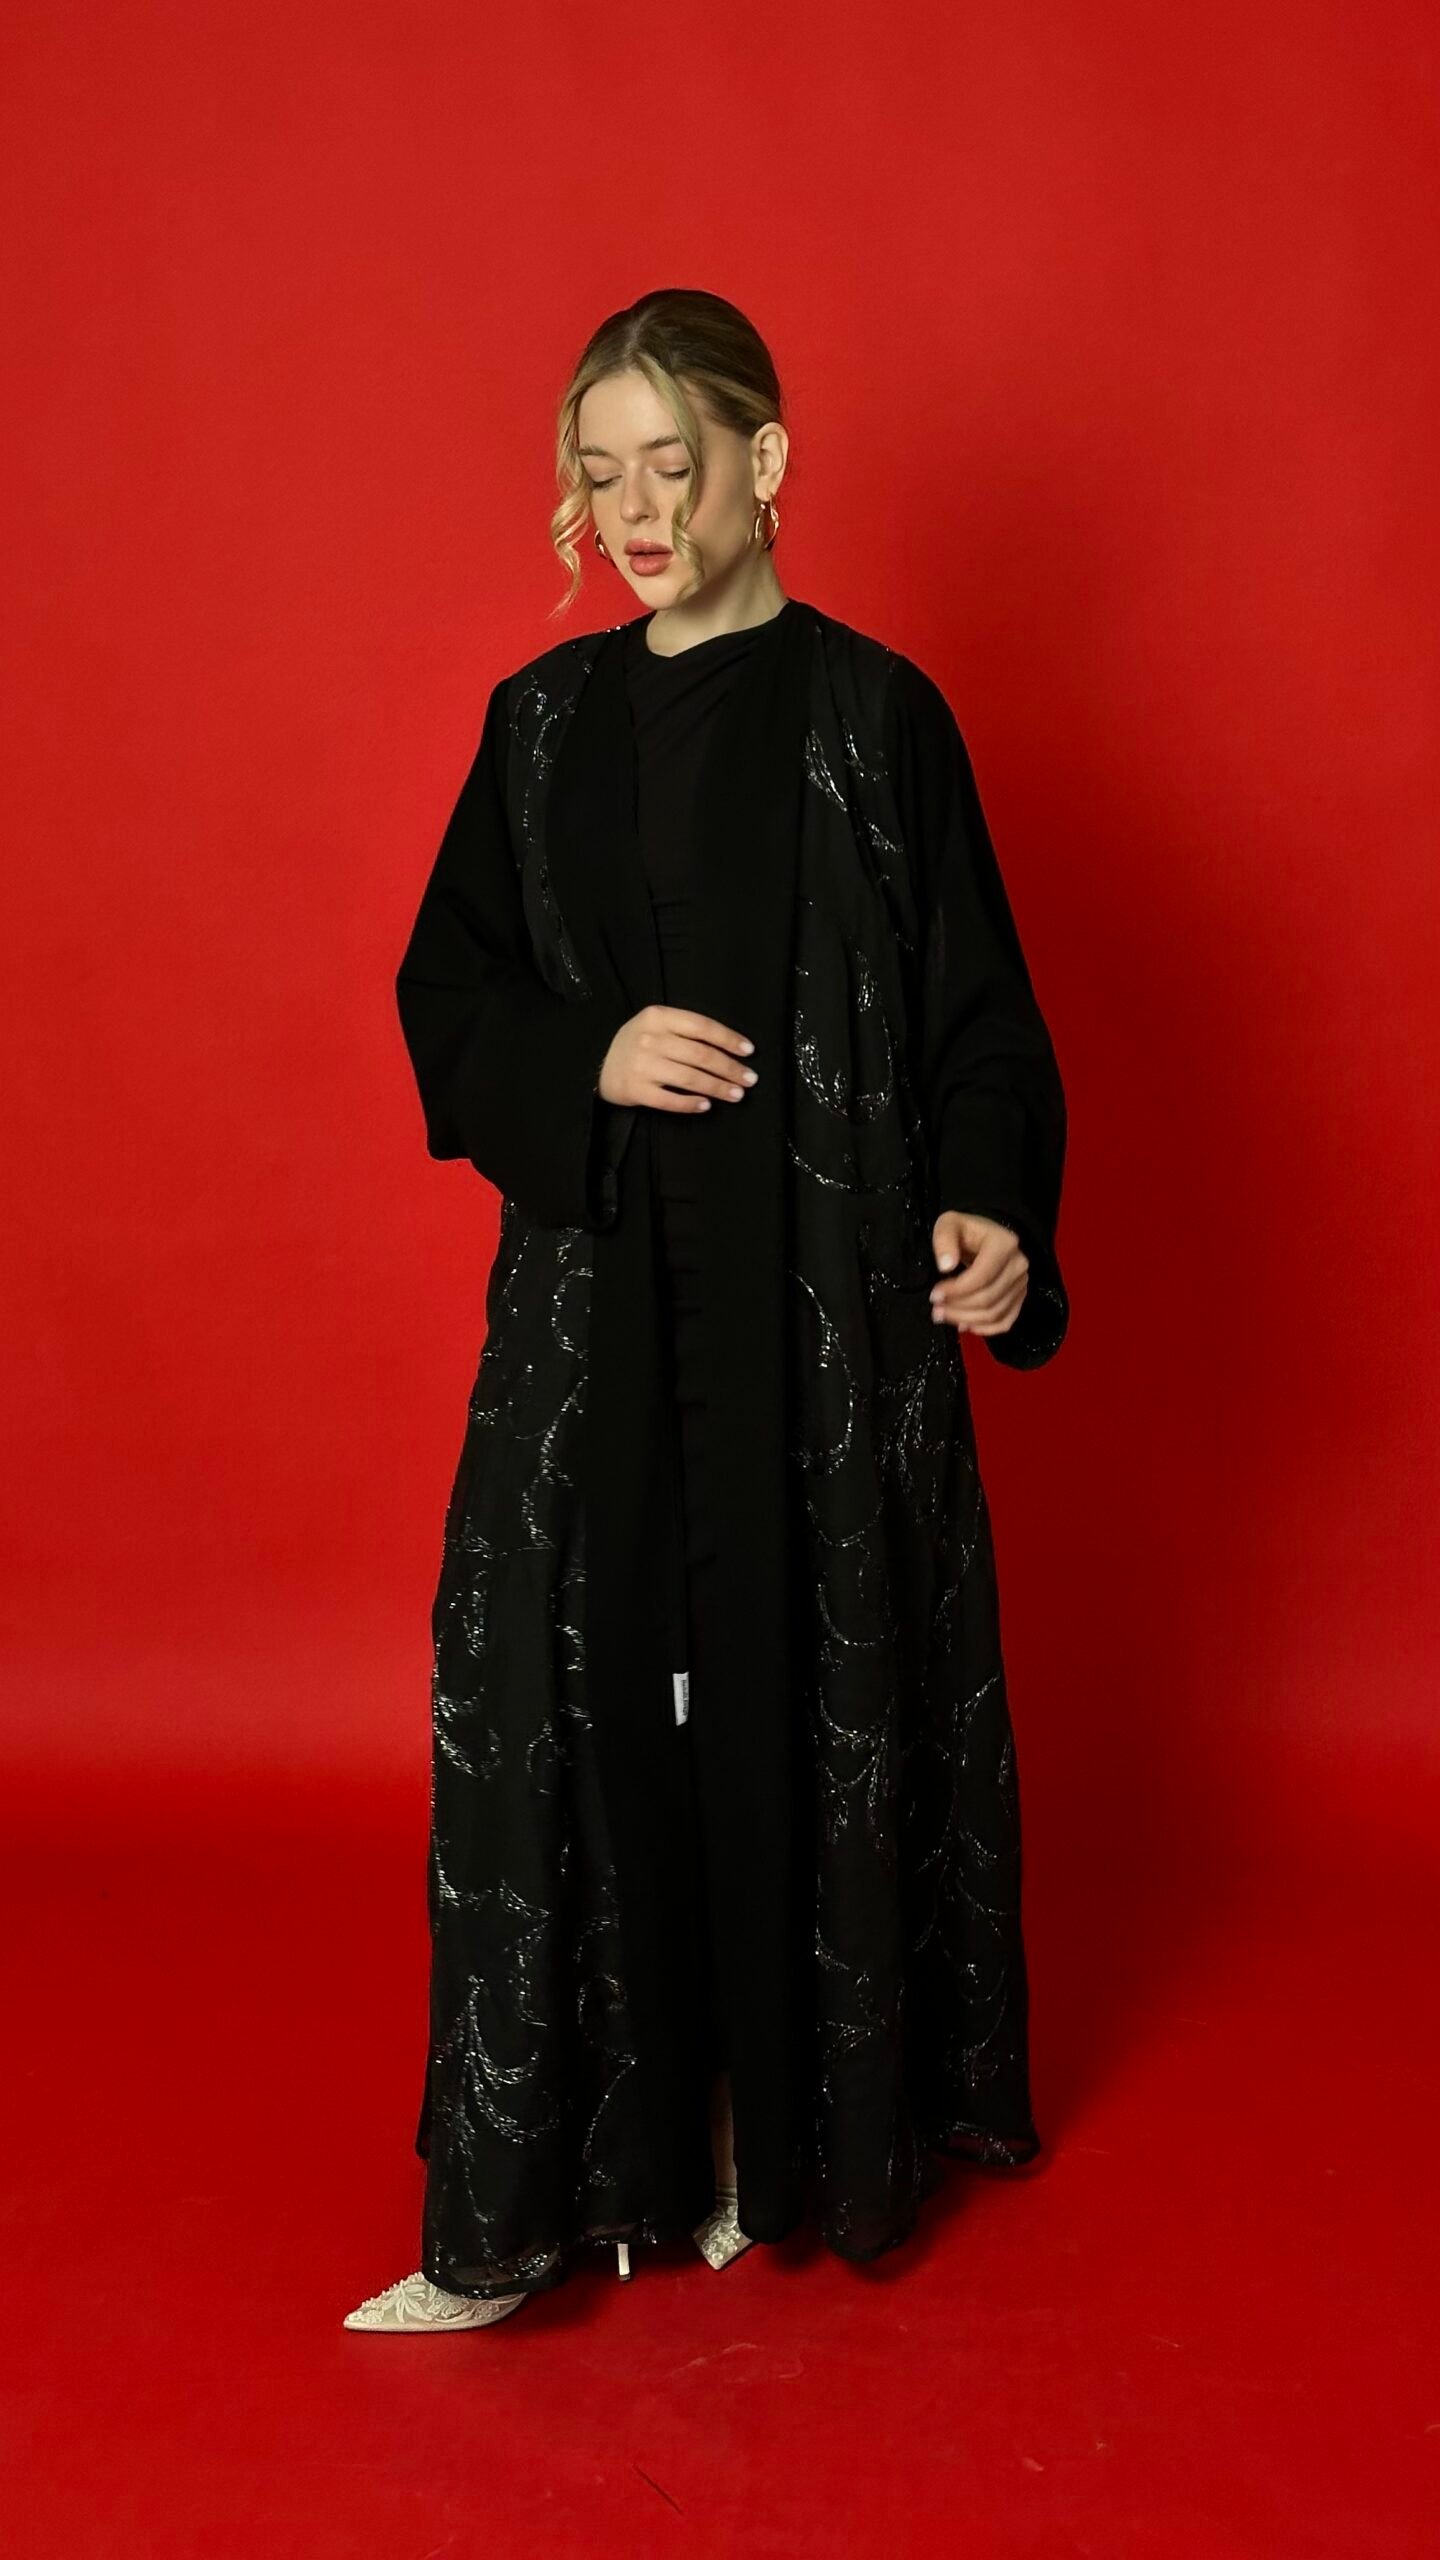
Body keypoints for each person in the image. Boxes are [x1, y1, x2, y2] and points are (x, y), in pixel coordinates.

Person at [345, 288, 1070, 2333]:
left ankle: (788, 2145)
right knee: (569, 1696)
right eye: (604, 473)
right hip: (597, 1320)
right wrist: (586, 1056)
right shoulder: (540, 728)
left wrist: (992, 1211)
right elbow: (448, 992)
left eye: (676, 461)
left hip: (821, 1325)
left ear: (769, 460)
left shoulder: (877, 718)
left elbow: (983, 1016)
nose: (641, 509)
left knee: (794, 1690)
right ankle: (565, 2180)